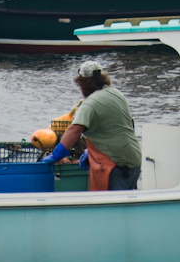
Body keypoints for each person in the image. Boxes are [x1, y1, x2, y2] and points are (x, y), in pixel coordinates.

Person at [41, 60, 143, 191]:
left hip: (116, 166)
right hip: (133, 162)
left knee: (111, 207)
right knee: (126, 206)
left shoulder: (90, 104)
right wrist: (88, 151)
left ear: (83, 84)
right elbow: (121, 125)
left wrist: (57, 154)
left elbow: (75, 129)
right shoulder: (116, 94)